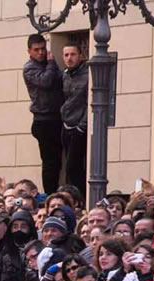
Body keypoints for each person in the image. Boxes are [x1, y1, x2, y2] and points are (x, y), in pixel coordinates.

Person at [23, 34, 64, 194]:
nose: (40, 52)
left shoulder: (48, 64)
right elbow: (46, 81)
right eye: (36, 50)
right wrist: (52, 63)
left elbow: (59, 80)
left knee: (57, 161)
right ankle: (50, 194)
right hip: (43, 120)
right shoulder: (30, 68)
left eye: (42, 48)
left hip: (56, 117)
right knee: (49, 162)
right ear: (29, 51)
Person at [61, 43, 88, 196]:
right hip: (66, 125)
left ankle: (80, 198)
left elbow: (88, 102)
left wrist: (81, 126)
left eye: (72, 54)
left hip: (79, 127)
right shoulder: (65, 75)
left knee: (74, 166)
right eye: (66, 55)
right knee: (68, 167)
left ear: (80, 55)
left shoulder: (87, 74)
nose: (69, 58)